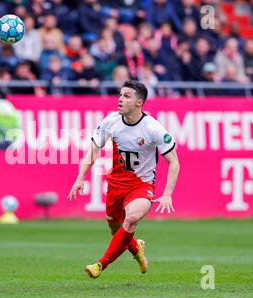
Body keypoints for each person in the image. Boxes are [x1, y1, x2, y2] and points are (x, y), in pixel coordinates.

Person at [67, 80, 180, 279]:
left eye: (127, 96)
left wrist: (167, 194)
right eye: (120, 95)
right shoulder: (111, 122)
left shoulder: (153, 128)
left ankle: (100, 265)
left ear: (139, 102)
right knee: (116, 230)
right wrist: (80, 177)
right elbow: (93, 151)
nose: (120, 99)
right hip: (115, 185)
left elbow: (174, 162)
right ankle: (137, 250)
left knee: (132, 218)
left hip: (141, 185)